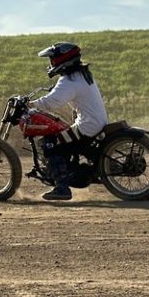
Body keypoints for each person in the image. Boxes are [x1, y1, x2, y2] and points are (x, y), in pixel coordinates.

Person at [29, 42, 109, 201]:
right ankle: (72, 170)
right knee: (64, 138)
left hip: (87, 125)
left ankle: (62, 188)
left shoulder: (68, 81)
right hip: (95, 122)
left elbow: (51, 103)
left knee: (51, 143)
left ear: (62, 59)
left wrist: (31, 104)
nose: (51, 63)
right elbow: (66, 93)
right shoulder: (82, 74)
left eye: (52, 59)